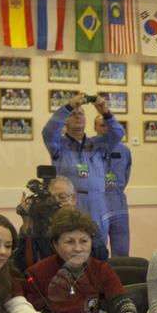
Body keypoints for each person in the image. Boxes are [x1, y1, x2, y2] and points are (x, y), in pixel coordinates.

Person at [24, 207, 145, 313]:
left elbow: (124, 304)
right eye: (70, 242)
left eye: (84, 241)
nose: (78, 248)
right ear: (55, 244)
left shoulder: (101, 269)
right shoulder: (36, 274)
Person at [42, 94, 124, 245]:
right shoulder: (58, 145)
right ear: (66, 120)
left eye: (81, 114)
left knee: (99, 252)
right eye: (73, 114)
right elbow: (48, 131)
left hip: (98, 204)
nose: (77, 116)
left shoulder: (98, 144)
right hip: (72, 204)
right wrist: (69, 106)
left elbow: (118, 133)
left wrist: (105, 111)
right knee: (74, 249)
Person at [16, 176, 109, 270]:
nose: (57, 203)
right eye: (51, 199)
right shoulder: (39, 228)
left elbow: (101, 257)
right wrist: (27, 222)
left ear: (73, 199)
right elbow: (23, 265)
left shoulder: (87, 226)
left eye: (62, 197)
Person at [97, 114, 132, 258]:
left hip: (118, 202)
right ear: (95, 128)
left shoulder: (124, 151)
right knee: (98, 249)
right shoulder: (89, 149)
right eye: (102, 125)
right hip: (98, 203)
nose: (106, 128)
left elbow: (126, 174)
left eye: (108, 125)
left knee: (122, 250)